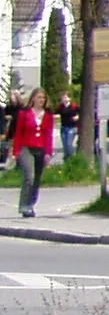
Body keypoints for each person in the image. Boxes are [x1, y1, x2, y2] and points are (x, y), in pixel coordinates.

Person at [13, 87, 55, 218]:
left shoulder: (48, 116)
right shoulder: (24, 114)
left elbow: (49, 135)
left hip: (41, 150)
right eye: (39, 97)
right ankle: (24, 205)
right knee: (29, 177)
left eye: (43, 98)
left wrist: (48, 152)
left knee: (36, 179)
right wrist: (15, 151)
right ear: (33, 99)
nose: (41, 100)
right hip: (26, 148)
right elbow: (18, 133)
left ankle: (30, 204)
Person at [57, 92, 79, 163]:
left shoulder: (73, 106)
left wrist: (77, 117)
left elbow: (81, 112)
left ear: (69, 98)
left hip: (72, 127)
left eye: (66, 97)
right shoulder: (60, 107)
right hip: (63, 128)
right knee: (65, 146)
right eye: (63, 97)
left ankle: (72, 159)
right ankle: (66, 161)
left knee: (69, 144)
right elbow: (55, 113)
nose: (65, 99)